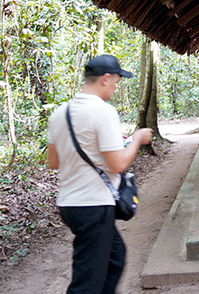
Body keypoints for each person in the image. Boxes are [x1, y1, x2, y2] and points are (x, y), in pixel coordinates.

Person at [47, 55, 153, 293]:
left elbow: (53, 161)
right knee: (88, 281)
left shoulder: (60, 113)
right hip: (93, 204)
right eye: (116, 81)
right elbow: (117, 165)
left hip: (69, 204)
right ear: (106, 78)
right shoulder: (103, 112)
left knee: (115, 258)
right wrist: (136, 140)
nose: (116, 87)